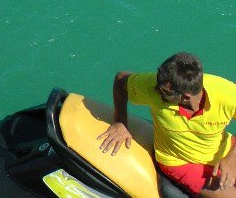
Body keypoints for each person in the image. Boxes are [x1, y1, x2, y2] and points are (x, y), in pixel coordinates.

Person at [98, 52, 236, 197]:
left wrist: (231, 158)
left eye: (164, 92)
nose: (157, 91)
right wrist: (120, 123)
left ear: (185, 96)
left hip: (223, 150)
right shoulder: (154, 87)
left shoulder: (226, 94)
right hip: (181, 162)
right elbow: (121, 80)